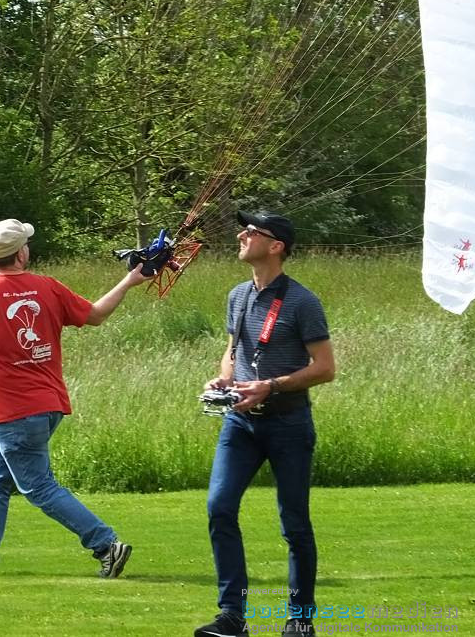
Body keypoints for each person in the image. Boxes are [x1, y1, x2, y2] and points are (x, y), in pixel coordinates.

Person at [0, 218, 149, 578]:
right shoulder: (47, 287)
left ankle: (105, 544)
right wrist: (130, 280)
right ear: (21, 253)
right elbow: (96, 315)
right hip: (49, 405)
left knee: (38, 487)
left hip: (15, 412)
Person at [195, 211, 336, 637]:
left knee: (293, 523)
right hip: (240, 425)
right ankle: (232, 617)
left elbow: (326, 368)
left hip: (288, 423)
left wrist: (271, 386)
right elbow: (233, 350)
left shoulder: (302, 302)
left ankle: (301, 620)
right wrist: (224, 377)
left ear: (276, 247)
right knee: (219, 508)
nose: (242, 234)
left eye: (252, 231)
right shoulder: (238, 295)